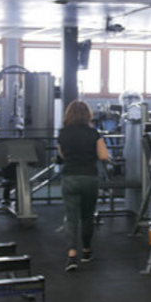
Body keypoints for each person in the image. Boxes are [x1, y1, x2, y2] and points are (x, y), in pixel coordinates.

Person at [57, 100, 110, 272]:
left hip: (70, 177)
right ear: (88, 115)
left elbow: (62, 155)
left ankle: (72, 255)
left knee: (71, 218)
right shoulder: (93, 133)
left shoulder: (63, 133)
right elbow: (104, 156)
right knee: (87, 216)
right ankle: (86, 251)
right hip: (89, 178)